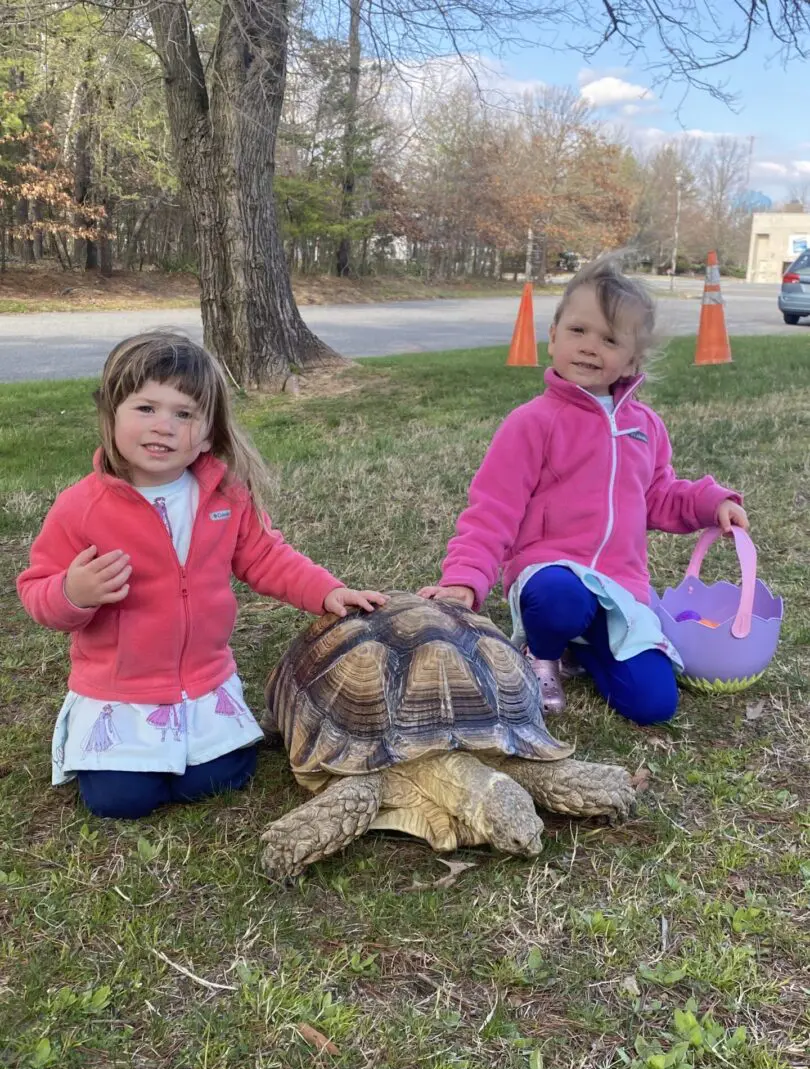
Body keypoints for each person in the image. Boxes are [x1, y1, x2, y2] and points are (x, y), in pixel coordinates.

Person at [17, 332, 387, 819]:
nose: (164, 426)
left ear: (210, 433)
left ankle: (193, 752)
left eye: (184, 414)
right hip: (122, 690)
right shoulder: (81, 507)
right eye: (146, 408)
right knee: (121, 802)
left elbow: (266, 557)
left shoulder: (223, 497)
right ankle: (124, 762)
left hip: (202, 682)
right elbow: (36, 589)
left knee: (219, 780)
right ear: (110, 415)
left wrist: (328, 591)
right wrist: (73, 593)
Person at [420, 257, 748, 725]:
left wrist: (709, 502)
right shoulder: (532, 422)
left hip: (619, 590)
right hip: (551, 577)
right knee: (559, 597)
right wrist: (464, 579)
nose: (591, 346)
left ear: (632, 359)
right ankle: (543, 654)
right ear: (552, 336)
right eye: (578, 330)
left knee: (654, 704)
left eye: (610, 339)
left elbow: (658, 496)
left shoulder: (646, 427)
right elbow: (493, 511)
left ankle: (585, 649)